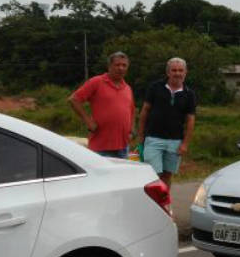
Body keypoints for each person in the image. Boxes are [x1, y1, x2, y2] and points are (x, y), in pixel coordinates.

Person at [135, 57, 197, 185]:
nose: (177, 73)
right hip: (153, 139)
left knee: (167, 177)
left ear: (185, 72)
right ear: (168, 72)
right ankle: (151, 204)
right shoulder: (155, 87)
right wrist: (140, 136)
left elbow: (190, 121)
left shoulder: (189, 94)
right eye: (174, 70)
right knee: (152, 176)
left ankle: (164, 204)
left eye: (181, 70)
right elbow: (145, 111)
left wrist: (185, 144)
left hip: (175, 142)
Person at [70, 52, 136, 158]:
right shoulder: (97, 82)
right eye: (117, 65)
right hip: (101, 147)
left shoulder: (127, 88)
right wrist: (88, 122)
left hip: (123, 147)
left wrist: (132, 130)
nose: (121, 68)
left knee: (120, 175)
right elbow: (74, 100)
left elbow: (132, 110)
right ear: (109, 66)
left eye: (124, 65)